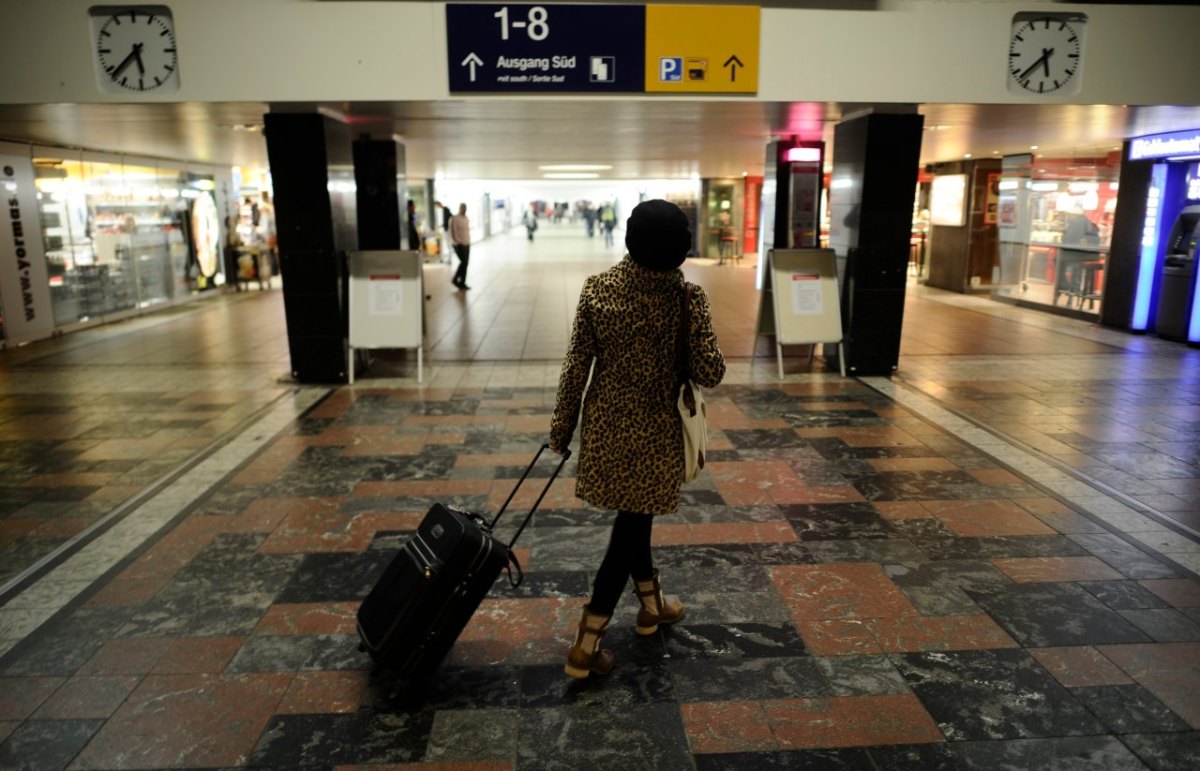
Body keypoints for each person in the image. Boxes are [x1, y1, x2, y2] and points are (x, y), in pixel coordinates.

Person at [549, 199, 726, 679]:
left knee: (635, 519)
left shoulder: (597, 289)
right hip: (654, 436)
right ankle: (586, 644)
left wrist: (562, 431)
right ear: (680, 249)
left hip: (606, 430)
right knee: (628, 531)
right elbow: (710, 372)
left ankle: (653, 607)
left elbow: (575, 369)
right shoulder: (688, 299)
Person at [449, 203, 471, 290]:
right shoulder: (454, 218)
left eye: (465, 209)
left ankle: (462, 282)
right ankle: (455, 279)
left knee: (465, 263)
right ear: (460, 208)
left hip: (466, 243)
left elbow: (467, 230)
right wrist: (457, 242)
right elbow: (453, 232)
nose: (464, 210)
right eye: (462, 208)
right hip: (459, 244)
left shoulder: (466, 218)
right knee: (463, 262)